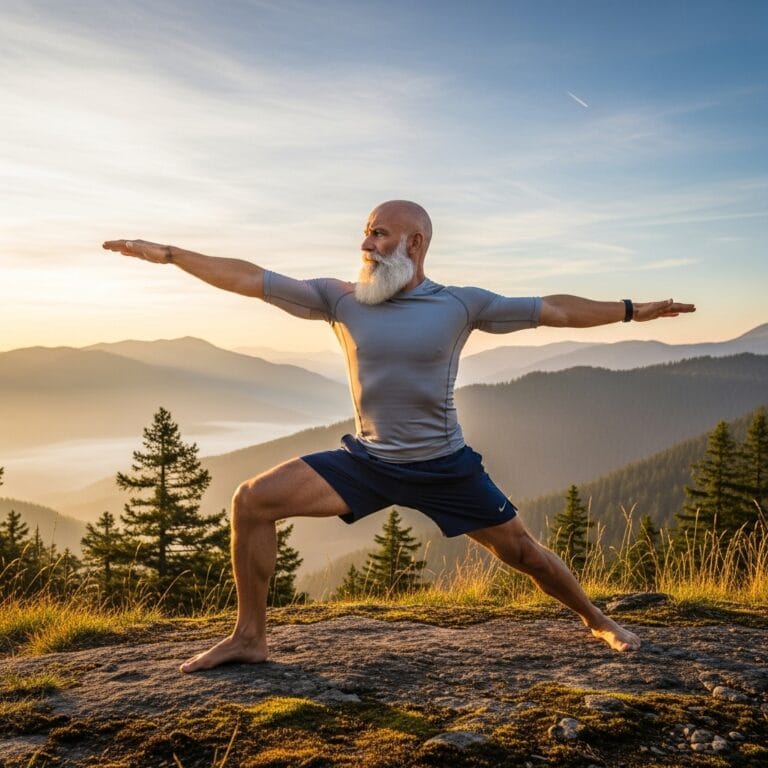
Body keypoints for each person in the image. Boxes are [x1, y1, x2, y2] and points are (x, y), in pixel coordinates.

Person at [103, 200, 695, 672]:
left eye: (379, 234)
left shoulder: (461, 304)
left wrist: (629, 310)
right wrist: (172, 255)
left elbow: (555, 311)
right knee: (252, 501)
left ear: (414, 243)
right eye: (365, 233)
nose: (365, 244)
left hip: (445, 466)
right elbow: (253, 279)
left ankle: (597, 620)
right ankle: (249, 637)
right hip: (367, 462)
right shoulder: (339, 297)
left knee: (524, 555)